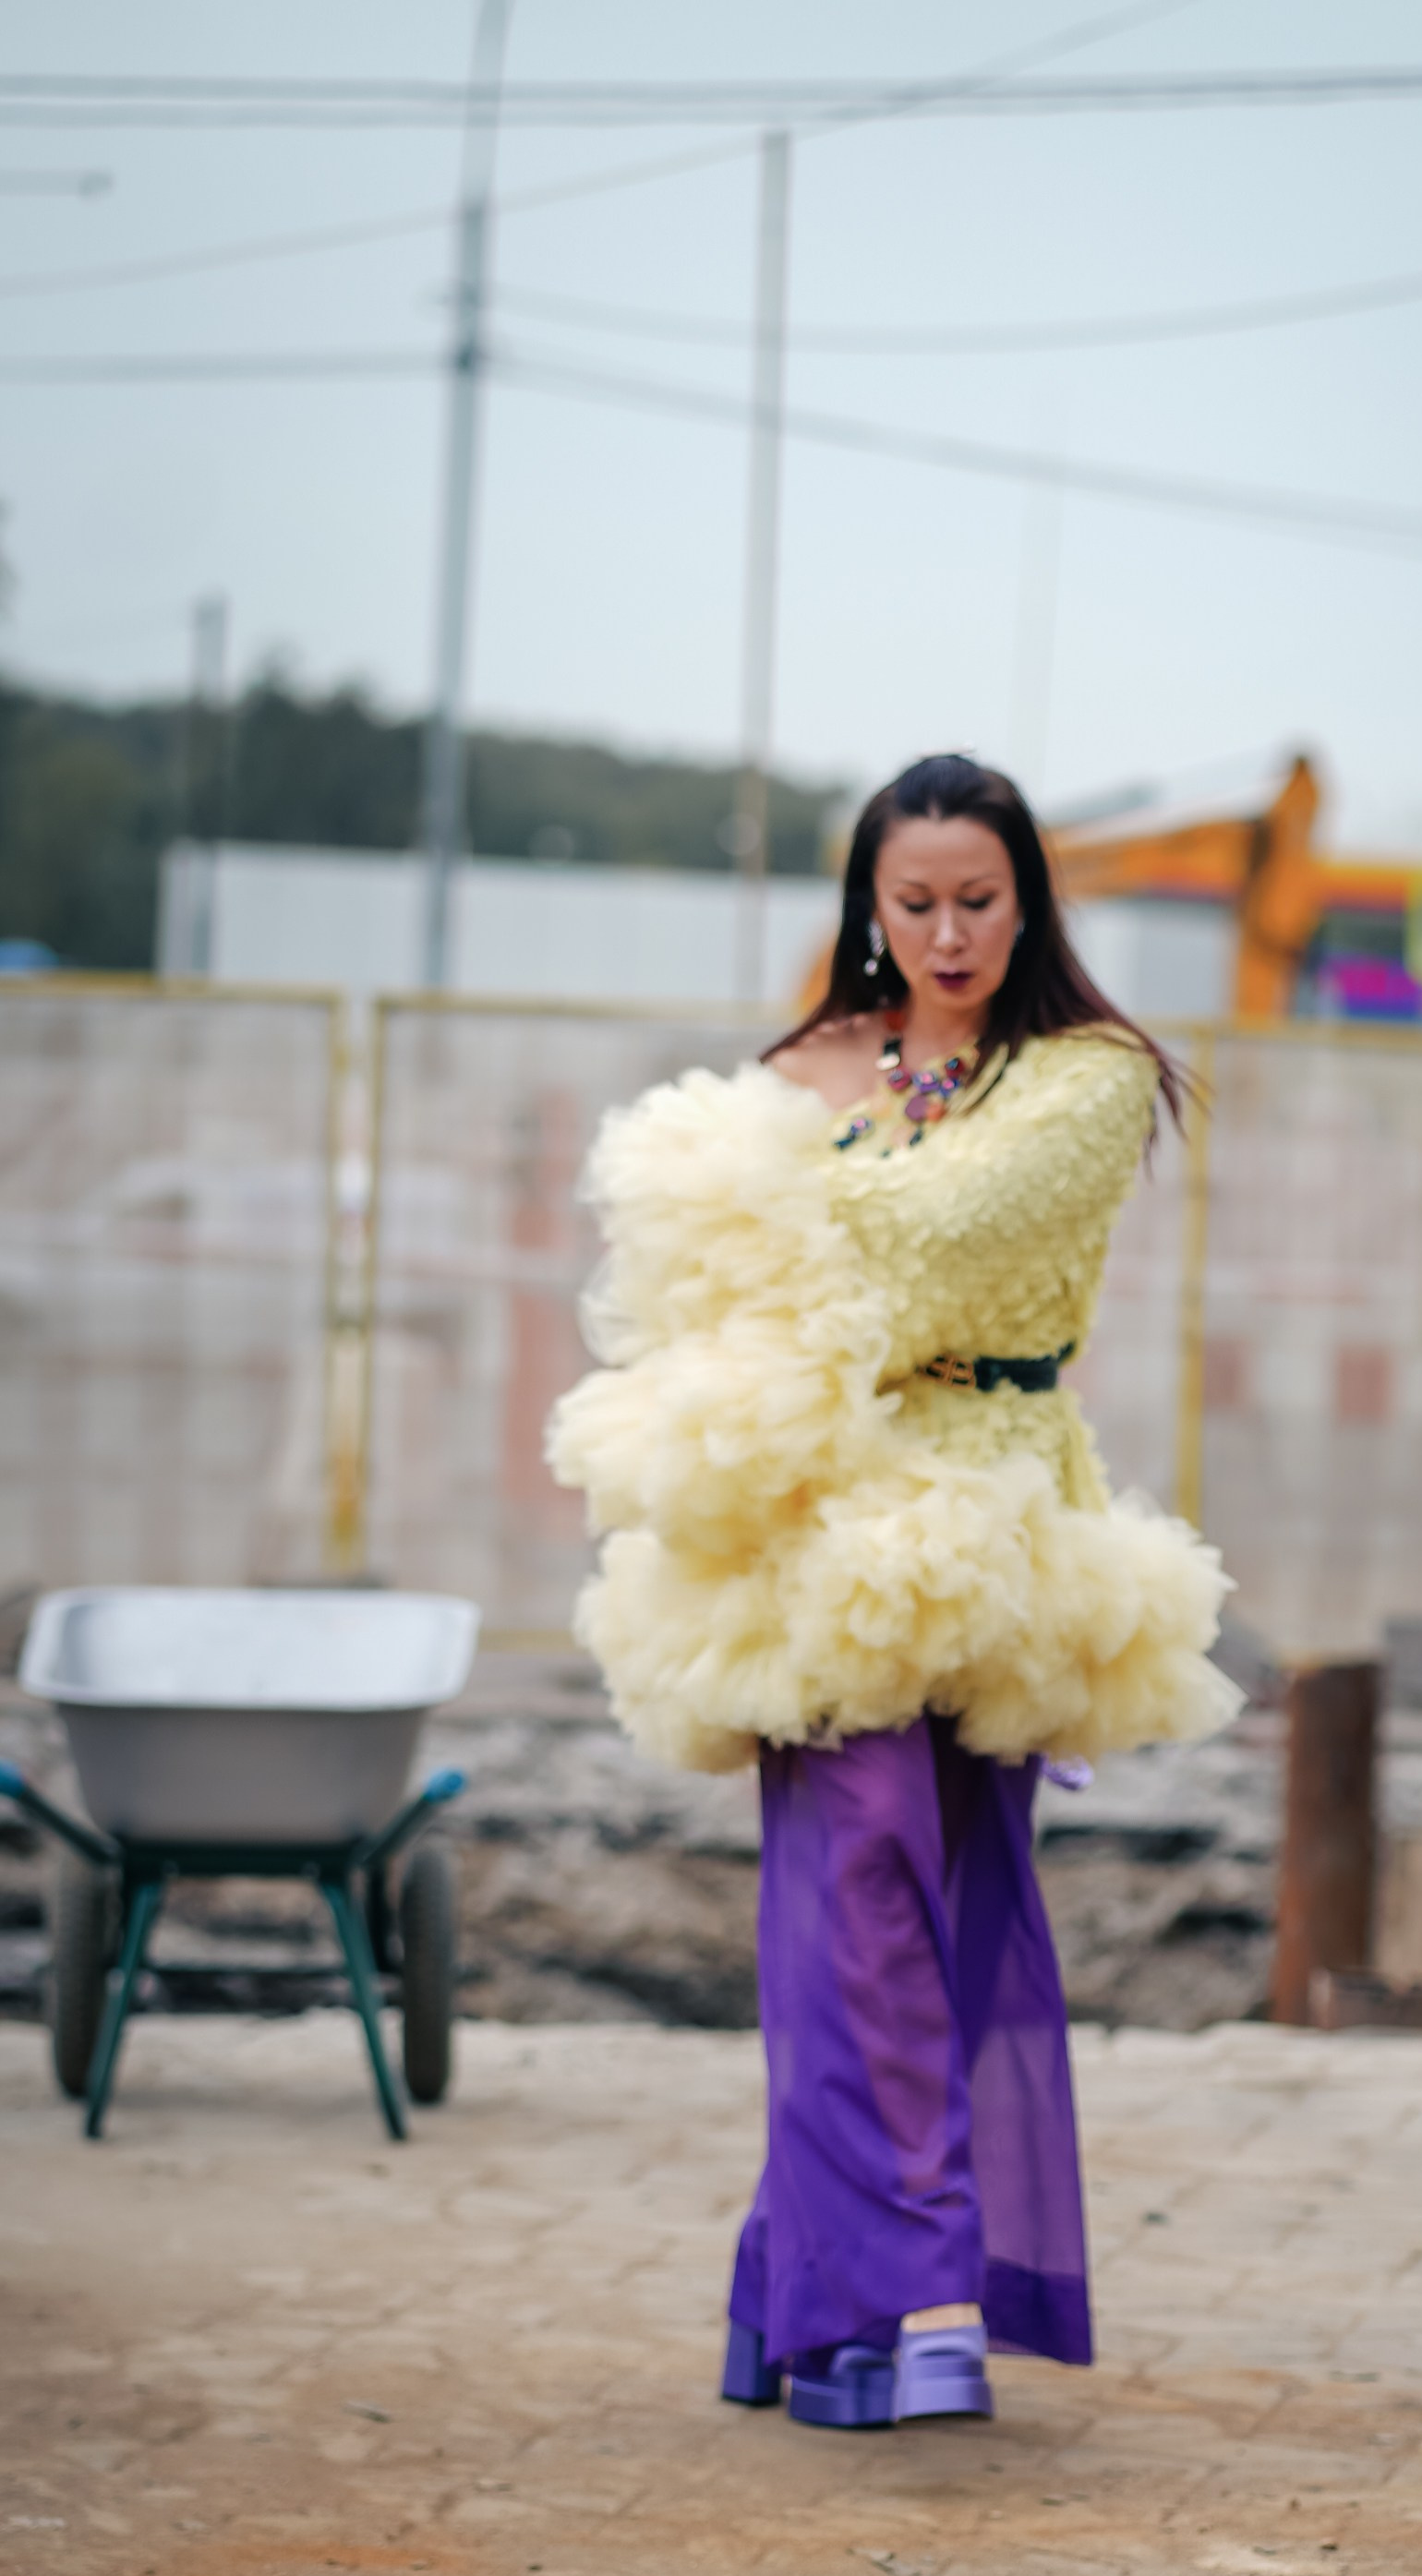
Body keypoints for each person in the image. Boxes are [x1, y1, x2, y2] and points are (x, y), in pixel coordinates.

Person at [548, 752, 1237, 2430]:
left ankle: (811, 2300)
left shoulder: (1085, 1077)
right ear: (869, 904)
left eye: (978, 900)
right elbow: (681, 1275)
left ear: (1028, 902)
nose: (947, 934)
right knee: (848, 1900)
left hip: (995, 1531)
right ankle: (912, 2301)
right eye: (914, 901)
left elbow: (930, 1237)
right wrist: (772, 1225)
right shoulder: (809, 1062)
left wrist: (780, 1206)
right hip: (815, 1529)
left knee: (963, 1912)